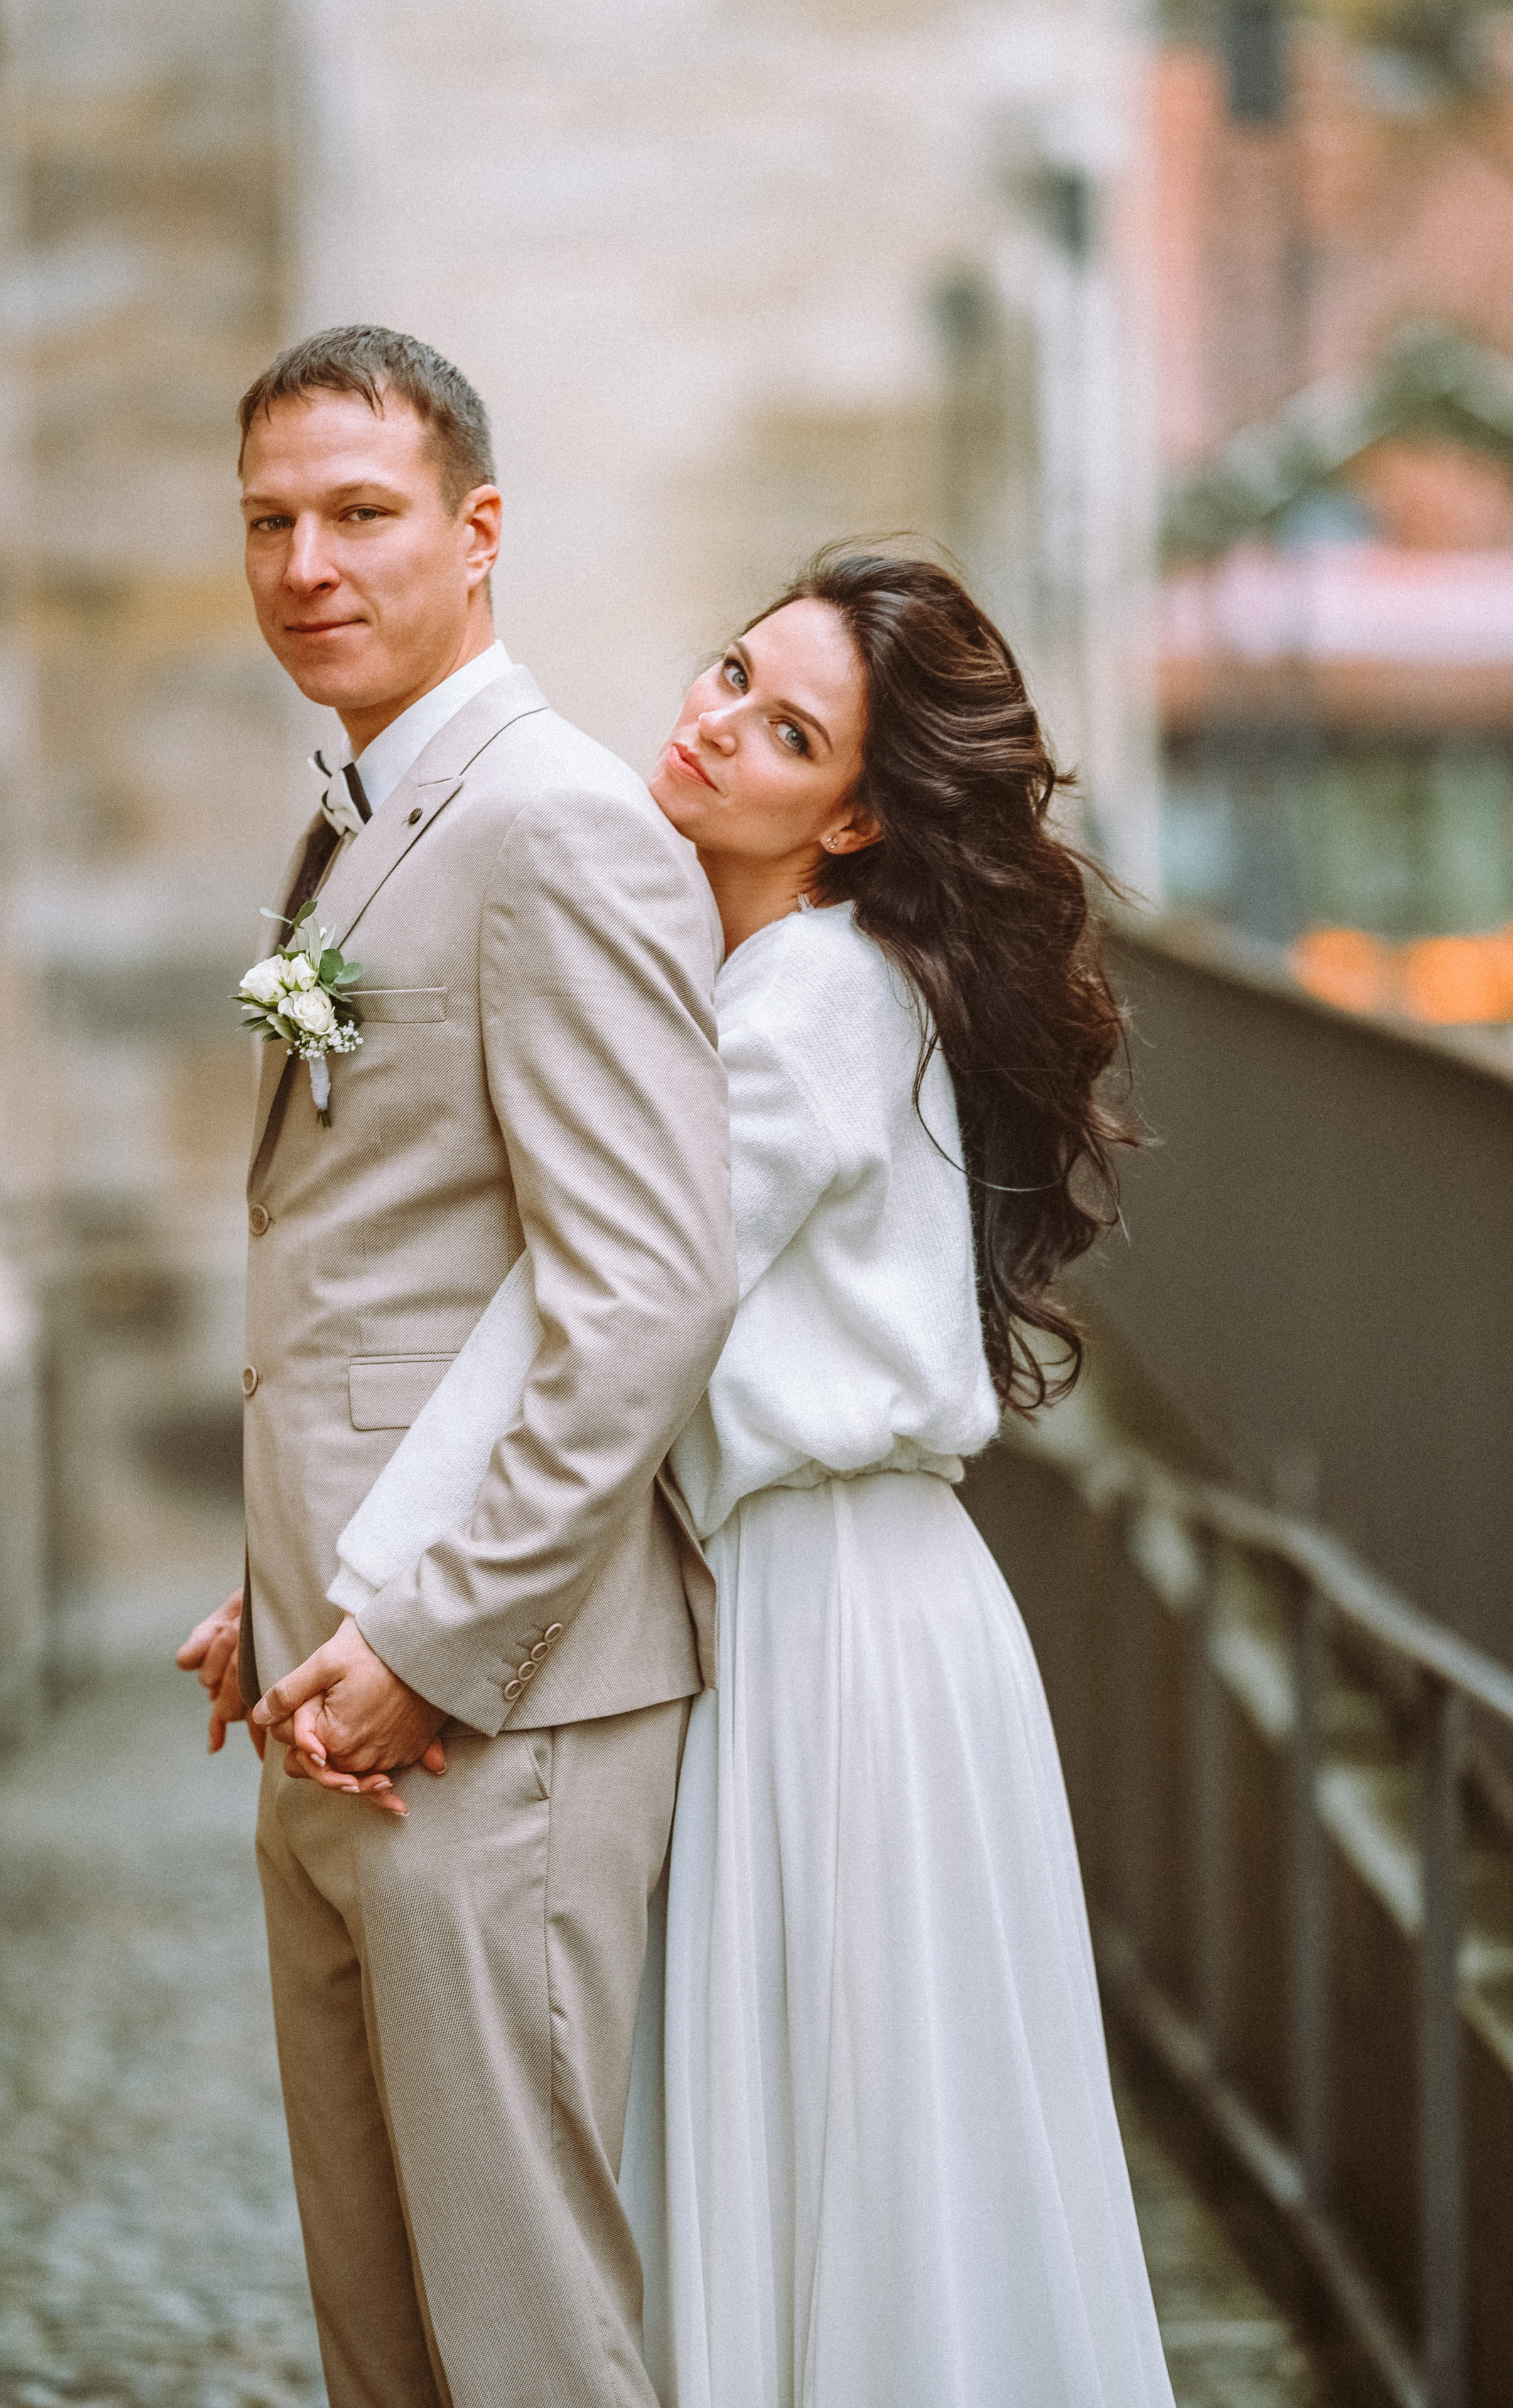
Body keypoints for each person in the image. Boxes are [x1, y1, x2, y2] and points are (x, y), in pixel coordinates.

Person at [357, 549, 1177, 2405]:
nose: (713, 722)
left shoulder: (812, 989)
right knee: (847, 2141)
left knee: (868, 2152)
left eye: (784, 726)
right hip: (825, 1606)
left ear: (863, 812)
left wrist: (386, 1593)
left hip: (842, 1627)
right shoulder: (768, 972)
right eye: (731, 673)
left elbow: (599, 1313)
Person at [178, 324, 736, 2408]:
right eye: (269, 521)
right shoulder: (358, 807)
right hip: (341, 1675)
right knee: (383, 2325)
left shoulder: (556, 825)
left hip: (496, 1705)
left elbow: (647, 1289)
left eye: (359, 514)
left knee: (519, 2329)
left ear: (479, 531)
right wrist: (284, 1573)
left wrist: (437, 1632)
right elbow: (404, 1279)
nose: (306, 563)